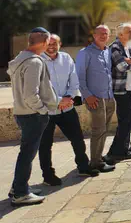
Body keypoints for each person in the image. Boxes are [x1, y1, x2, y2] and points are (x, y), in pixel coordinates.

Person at [8, 27, 59, 205]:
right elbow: (31, 94)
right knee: (27, 154)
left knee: (26, 153)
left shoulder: (19, 59)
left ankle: (18, 187)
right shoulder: (34, 62)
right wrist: (43, 110)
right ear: (44, 42)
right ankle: (20, 193)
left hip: (23, 113)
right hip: (32, 115)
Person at [40, 34, 98, 185]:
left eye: (55, 43)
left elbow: (74, 80)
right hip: (47, 111)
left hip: (67, 108)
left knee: (78, 139)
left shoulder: (66, 58)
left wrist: (69, 98)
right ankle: (48, 175)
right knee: (45, 145)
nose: (51, 46)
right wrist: (59, 101)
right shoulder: (37, 61)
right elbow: (40, 88)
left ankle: (83, 167)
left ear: (60, 44)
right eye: (49, 43)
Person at [75, 25, 116, 173]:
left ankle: (98, 158)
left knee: (104, 129)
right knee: (98, 130)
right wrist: (87, 95)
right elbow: (79, 76)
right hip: (95, 98)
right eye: (100, 33)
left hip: (109, 97)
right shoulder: (85, 53)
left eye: (106, 33)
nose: (103, 36)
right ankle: (95, 162)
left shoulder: (107, 51)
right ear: (94, 35)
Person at [107, 23, 131, 162]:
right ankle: (117, 151)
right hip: (121, 90)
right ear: (120, 34)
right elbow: (121, 67)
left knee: (128, 120)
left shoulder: (129, 47)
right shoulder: (115, 47)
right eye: (129, 31)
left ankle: (123, 149)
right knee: (126, 119)